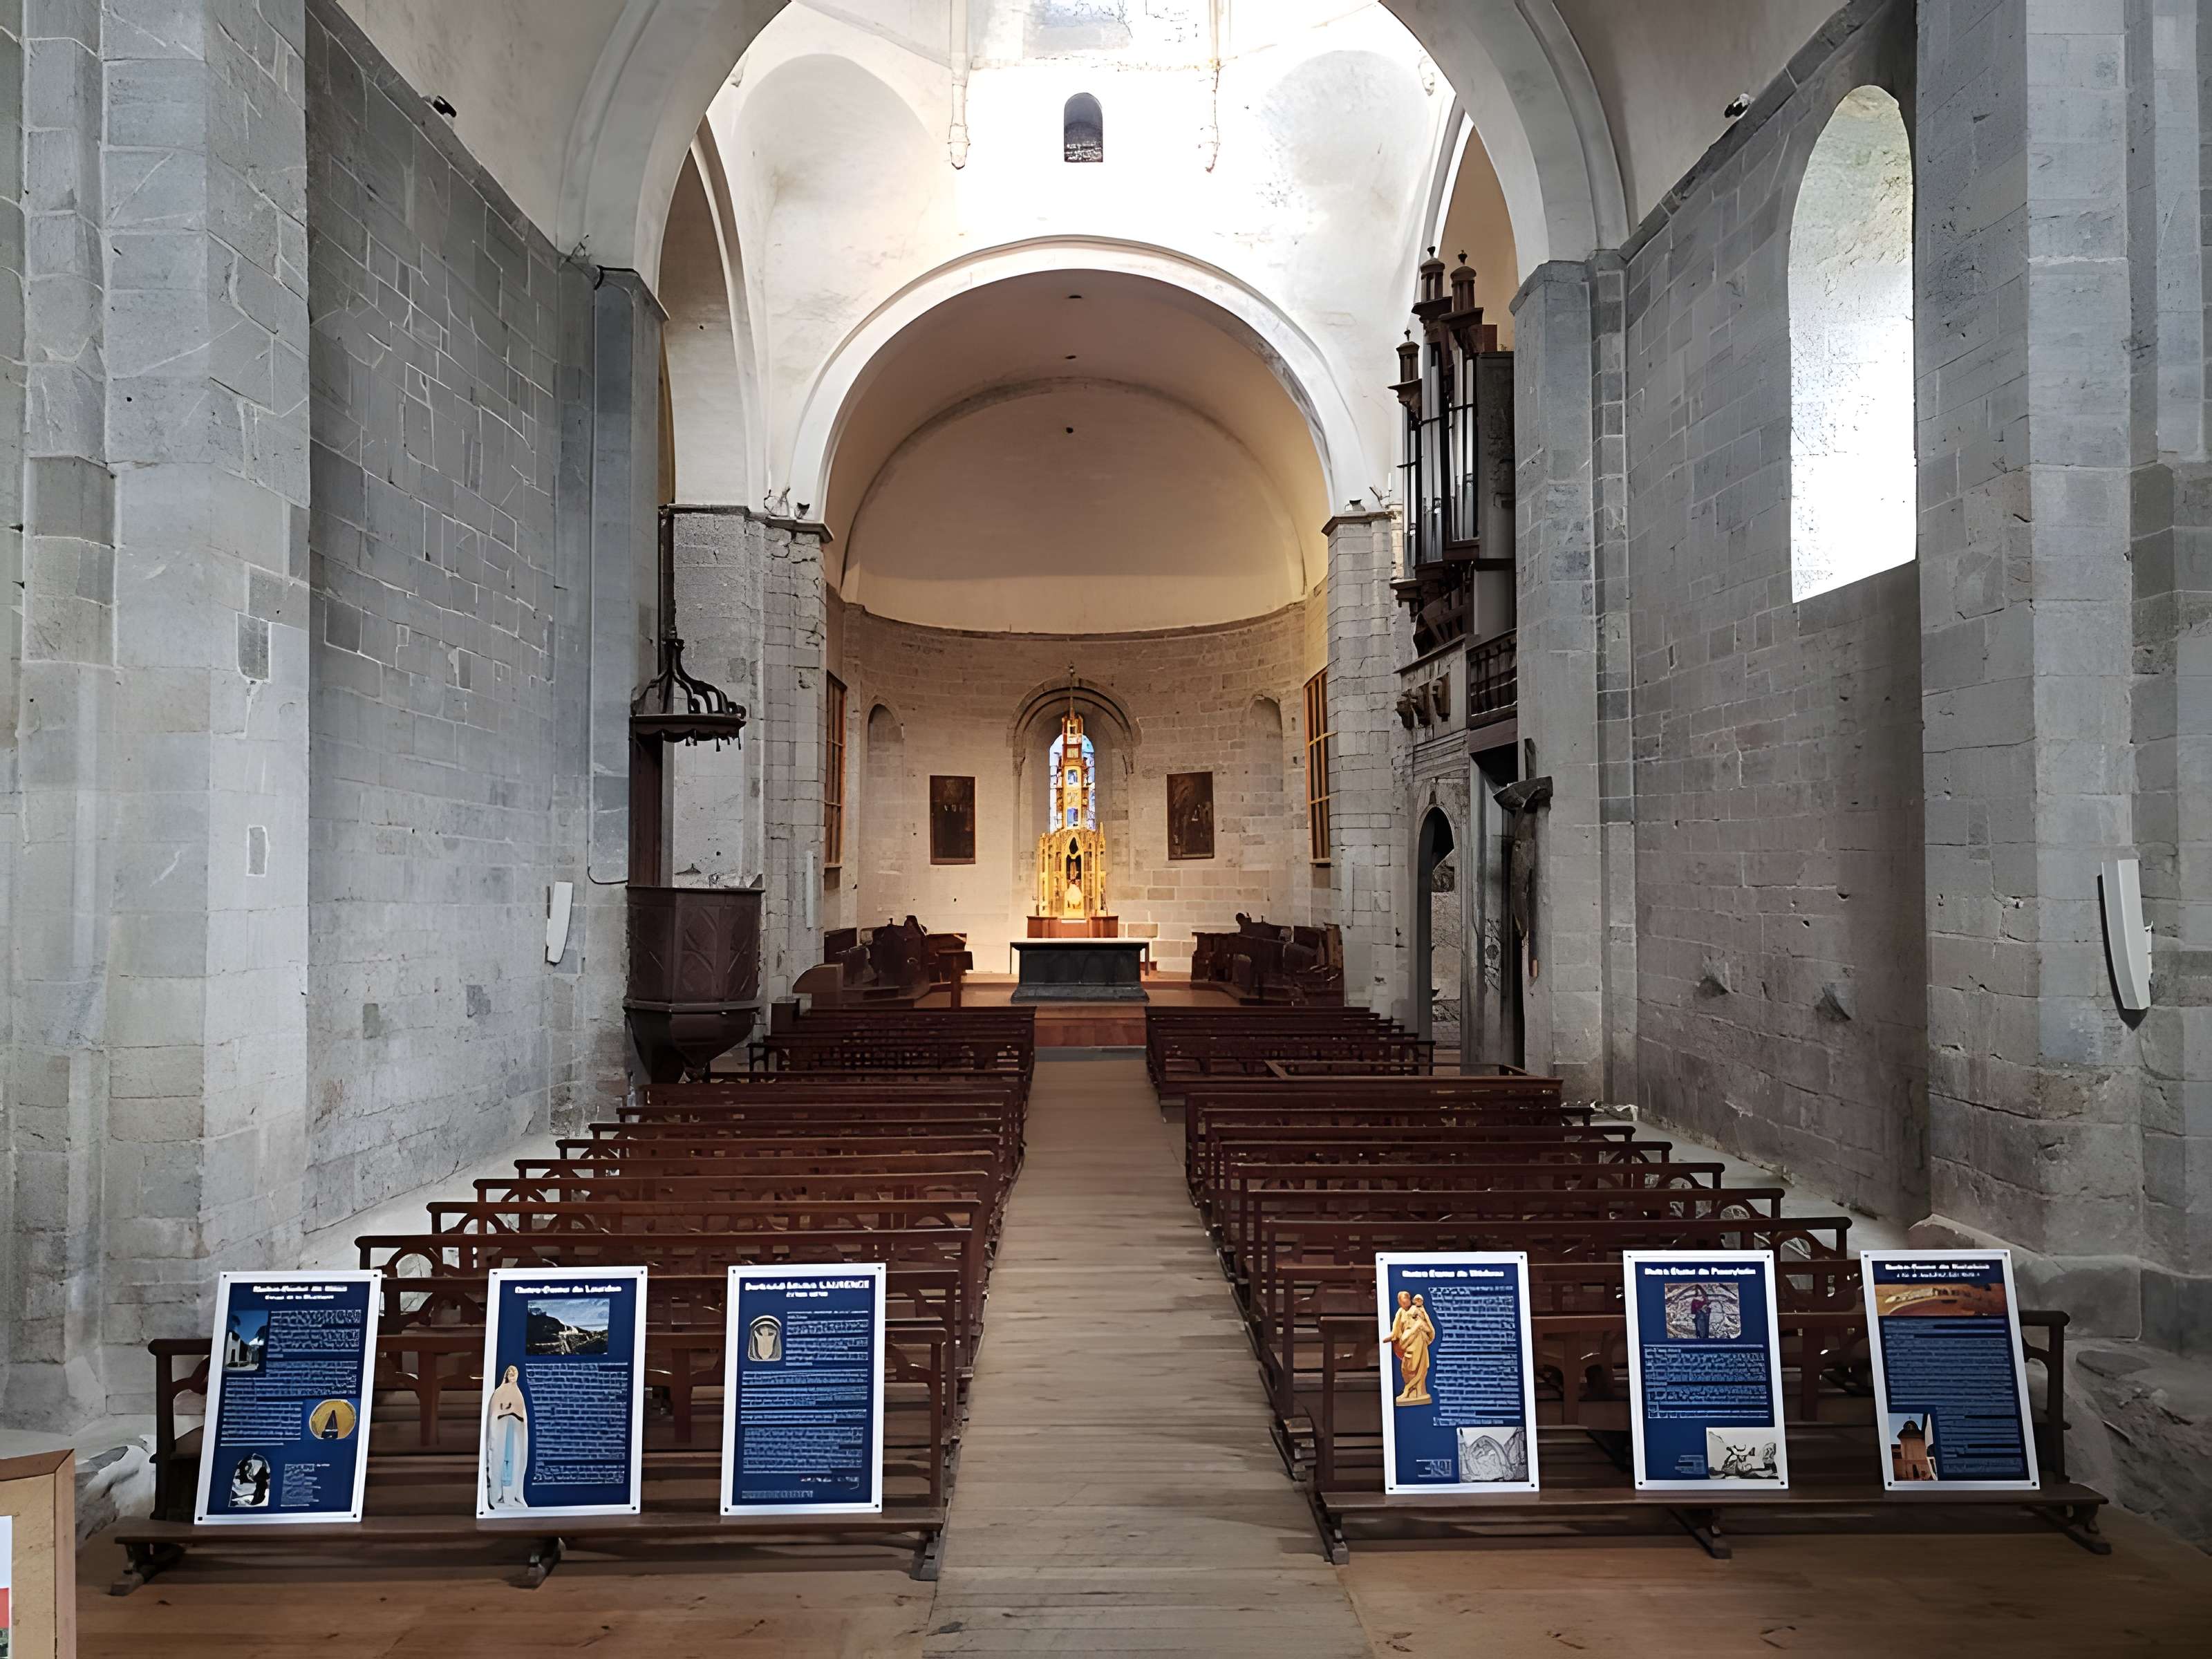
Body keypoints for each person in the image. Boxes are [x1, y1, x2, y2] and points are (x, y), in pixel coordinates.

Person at [486, 1365, 529, 1510]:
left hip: (514, 1432)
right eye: (510, 1372)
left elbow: (522, 1415)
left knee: (513, 1463)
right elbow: (494, 1413)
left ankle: (511, 1496)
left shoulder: (518, 1394)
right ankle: (497, 1495)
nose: (512, 1374)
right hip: (501, 1432)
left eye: (514, 1373)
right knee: (499, 1462)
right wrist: (506, 1414)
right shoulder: (499, 1392)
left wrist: (515, 1416)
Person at [1387, 1290, 1437, 1407]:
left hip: (1418, 1343)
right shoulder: (1400, 1312)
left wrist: (1420, 1325)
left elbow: (1428, 1327)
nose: (1404, 1305)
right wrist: (1390, 1337)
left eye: (1406, 1301)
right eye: (1402, 1302)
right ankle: (1410, 1391)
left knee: (1418, 1368)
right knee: (1406, 1369)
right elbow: (1396, 1329)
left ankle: (1414, 1392)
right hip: (1407, 1345)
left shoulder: (1418, 1310)